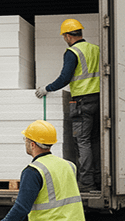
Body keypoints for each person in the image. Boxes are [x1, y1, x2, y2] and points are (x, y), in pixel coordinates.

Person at [35, 19, 100, 192]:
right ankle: (97, 179)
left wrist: (46, 88)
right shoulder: (95, 49)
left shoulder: (72, 52)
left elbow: (65, 78)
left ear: (67, 36)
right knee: (94, 141)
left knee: (82, 141)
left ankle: (86, 183)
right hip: (98, 101)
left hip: (81, 102)